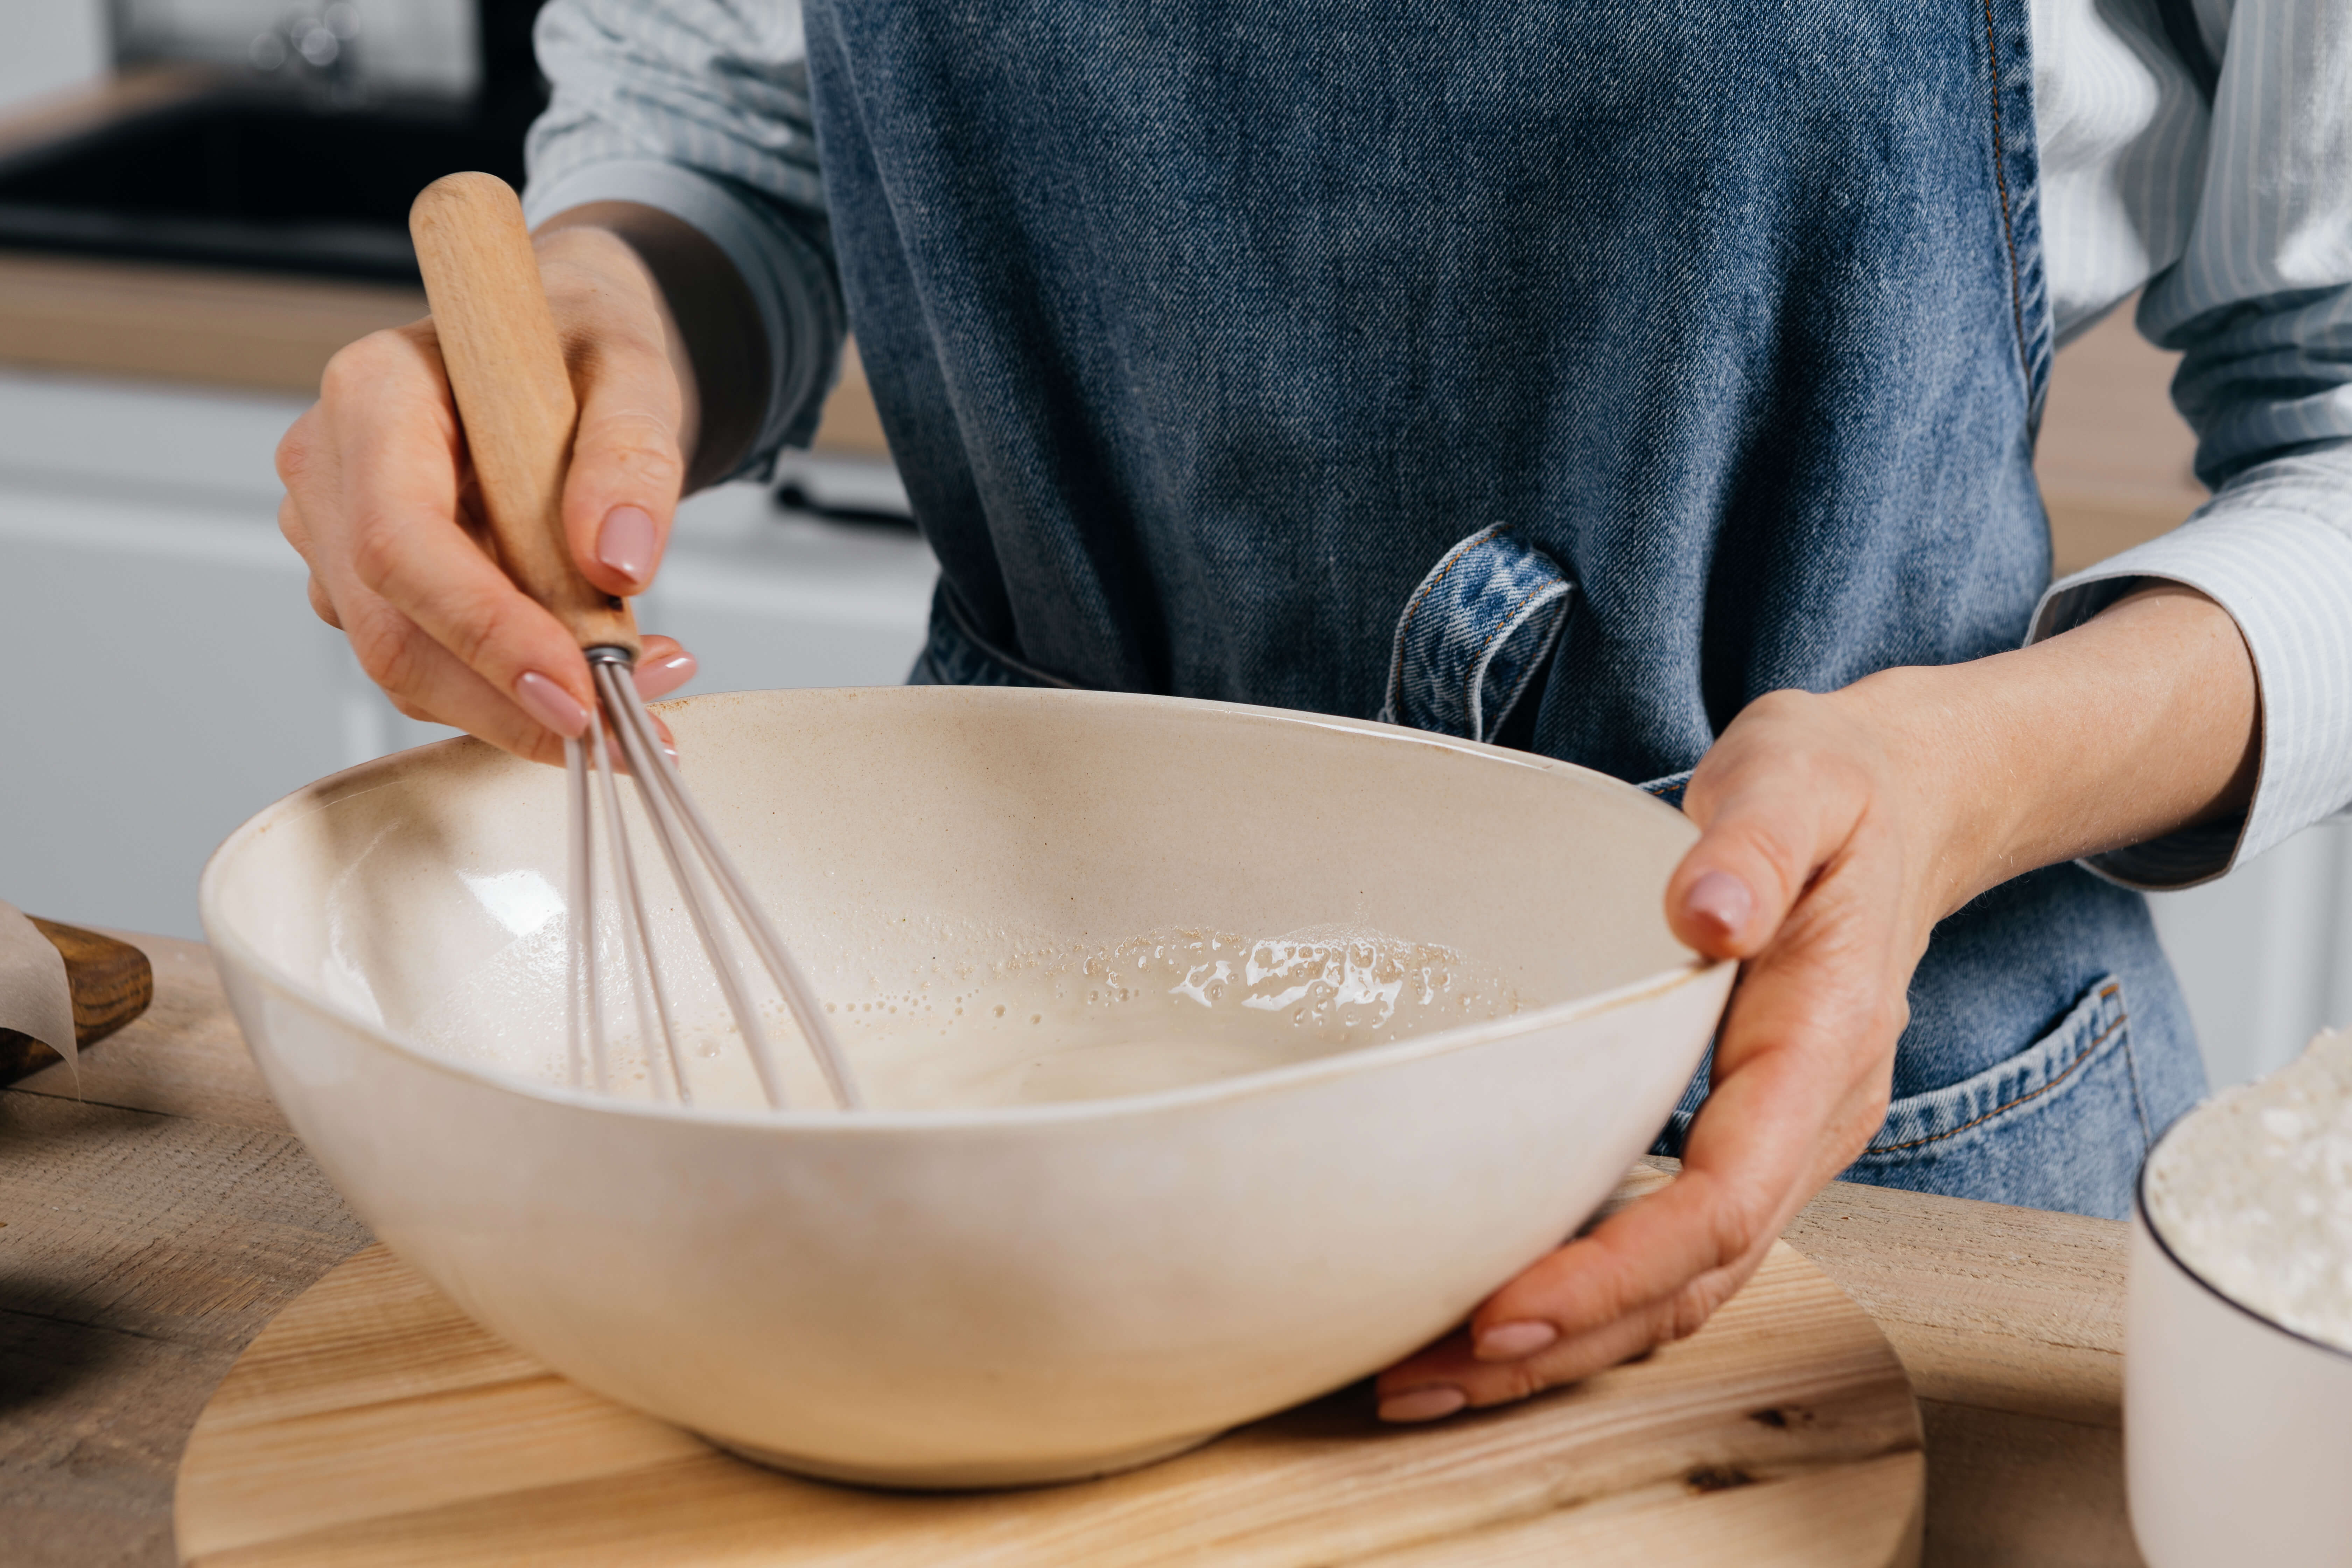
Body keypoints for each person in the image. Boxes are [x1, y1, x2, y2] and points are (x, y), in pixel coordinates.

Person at [276, 0, 2351, 1424]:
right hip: (967, 1091)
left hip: (1847, 1139)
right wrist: (594, 332)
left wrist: (1951, 782)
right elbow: (723, 136)